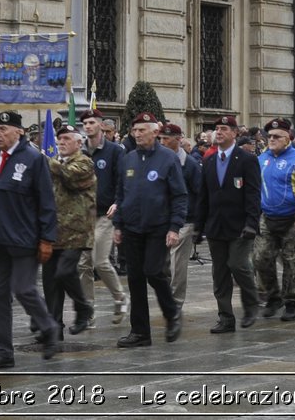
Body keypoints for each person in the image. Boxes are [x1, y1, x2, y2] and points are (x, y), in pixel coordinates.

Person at [0, 110, 60, 370]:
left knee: (23, 288)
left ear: (19, 132)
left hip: (24, 239)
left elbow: (47, 202)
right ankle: (3, 353)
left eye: (4, 130)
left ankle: (48, 328)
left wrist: (47, 238)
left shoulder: (33, 159)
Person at [109, 113, 186, 346]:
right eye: (135, 130)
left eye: (142, 130)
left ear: (155, 132)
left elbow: (179, 195)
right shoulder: (128, 159)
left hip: (157, 227)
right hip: (132, 227)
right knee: (135, 279)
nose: (137, 134)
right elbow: (121, 194)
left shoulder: (168, 159)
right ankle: (140, 332)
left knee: (153, 271)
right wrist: (118, 224)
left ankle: (171, 312)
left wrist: (174, 227)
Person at [196, 114, 262, 332]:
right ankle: (225, 316)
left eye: (225, 128)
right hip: (216, 225)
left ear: (235, 133)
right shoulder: (209, 160)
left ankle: (251, 303)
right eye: (217, 128)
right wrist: (199, 226)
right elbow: (203, 196)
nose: (220, 132)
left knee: (238, 264)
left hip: (240, 225)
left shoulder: (247, 159)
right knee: (220, 272)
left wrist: (252, 223)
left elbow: (253, 194)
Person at [252, 118, 295, 321]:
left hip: (293, 218)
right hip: (267, 217)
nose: (271, 139)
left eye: (276, 136)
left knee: (292, 262)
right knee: (261, 258)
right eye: (269, 136)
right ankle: (273, 297)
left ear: (288, 137)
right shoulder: (262, 158)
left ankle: (291, 302)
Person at [76, 109, 128, 326]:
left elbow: (122, 180)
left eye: (91, 122)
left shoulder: (114, 151)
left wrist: (118, 202)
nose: (87, 126)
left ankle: (120, 298)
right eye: (85, 123)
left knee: (99, 260)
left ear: (100, 125)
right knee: (83, 264)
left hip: (106, 214)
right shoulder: (81, 152)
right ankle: (88, 311)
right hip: (85, 214)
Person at [44, 123, 96, 338]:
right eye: (60, 139)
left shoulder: (85, 163)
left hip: (76, 231)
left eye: (67, 139)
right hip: (53, 230)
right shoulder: (55, 163)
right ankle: (53, 327)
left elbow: (70, 177)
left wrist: (44, 161)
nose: (61, 143)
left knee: (65, 271)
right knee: (50, 282)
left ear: (78, 142)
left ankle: (83, 307)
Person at [159, 122, 202, 311]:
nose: (162, 142)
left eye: (166, 139)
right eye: (161, 138)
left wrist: (199, 223)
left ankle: (175, 303)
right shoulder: (159, 160)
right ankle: (166, 297)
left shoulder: (190, 164)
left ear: (178, 140)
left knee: (178, 265)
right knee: (162, 265)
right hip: (162, 219)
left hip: (185, 220)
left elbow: (199, 192)